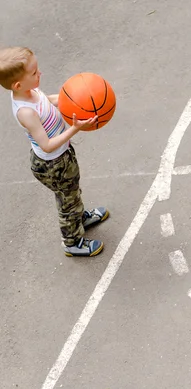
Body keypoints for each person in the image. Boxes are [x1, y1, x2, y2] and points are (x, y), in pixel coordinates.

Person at [0, 46, 109, 257]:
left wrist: (74, 98)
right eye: (34, 73)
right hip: (52, 163)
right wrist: (75, 128)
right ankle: (72, 242)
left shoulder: (30, 92)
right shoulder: (25, 112)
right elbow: (47, 145)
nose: (39, 73)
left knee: (73, 191)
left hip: (62, 156)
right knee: (67, 200)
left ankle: (80, 219)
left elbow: (48, 100)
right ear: (18, 84)